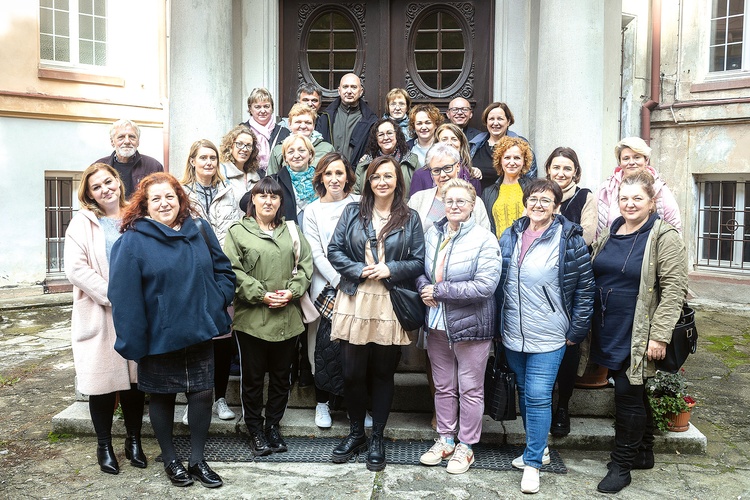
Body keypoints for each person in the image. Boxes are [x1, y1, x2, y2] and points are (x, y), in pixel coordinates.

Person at [109, 172, 235, 489]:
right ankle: (170, 459)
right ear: (144, 205)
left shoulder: (199, 230)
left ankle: (196, 460)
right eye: (157, 198)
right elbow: (123, 296)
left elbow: (223, 269)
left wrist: (217, 299)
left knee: (202, 394)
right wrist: (133, 341)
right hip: (158, 336)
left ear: (180, 199)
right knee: (163, 398)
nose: (165, 203)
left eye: (171, 196)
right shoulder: (132, 241)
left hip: (199, 330)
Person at [588, 171, 687, 494]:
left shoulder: (663, 236)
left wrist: (659, 335)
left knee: (627, 395)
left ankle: (622, 464)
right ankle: (644, 450)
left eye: (637, 199)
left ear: (651, 202)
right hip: (608, 325)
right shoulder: (613, 230)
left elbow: (674, 289)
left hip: (638, 329)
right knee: (635, 388)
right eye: (624, 199)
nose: (630, 204)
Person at [496, 178, 594, 494]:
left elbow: (585, 288)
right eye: (533, 199)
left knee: (538, 394)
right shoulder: (509, 235)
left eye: (546, 200)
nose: (538, 205)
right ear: (526, 202)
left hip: (551, 333)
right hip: (513, 331)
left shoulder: (569, 239)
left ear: (557, 205)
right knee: (526, 392)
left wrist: (576, 330)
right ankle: (538, 449)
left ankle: (534, 463)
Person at [327, 156, 425, 471]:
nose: (381, 181)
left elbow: (419, 260)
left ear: (398, 180)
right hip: (355, 297)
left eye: (388, 176)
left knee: (383, 373)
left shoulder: (410, 218)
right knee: (353, 372)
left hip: (389, 300)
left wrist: (390, 268)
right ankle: (357, 433)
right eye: (375, 176)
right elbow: (334, 250)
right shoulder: (352, 211)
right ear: (368, 181)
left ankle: (378, 436)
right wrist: (359, 269)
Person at [63, 163, 146, 475]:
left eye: (108, 182)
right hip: (100, 311)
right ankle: (104, 444)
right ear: (89, 194)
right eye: (96, 187)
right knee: (102, 384)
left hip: (136, 312)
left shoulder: (136, 216)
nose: (104, 189)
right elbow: (76, 268)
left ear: (118, 183)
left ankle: (134, 440)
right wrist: (114, 295)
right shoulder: (82, 223)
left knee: (135, 383)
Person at [415, 178, 501, 475]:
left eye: (461, 201)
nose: (454, 206)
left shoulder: (484, 239)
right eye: (449, 201)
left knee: (471, 389)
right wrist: (425, 286)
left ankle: (466, 446)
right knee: (443, 387)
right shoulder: (432, 234)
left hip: (471, 326)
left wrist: (439, 291)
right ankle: (446, 439)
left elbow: (486, 286)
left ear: (472, 205)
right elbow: (420, 270)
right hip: (437, 324)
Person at [223, 176, 313, 457]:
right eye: (262, 195)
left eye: (274, 196)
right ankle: (255, 428)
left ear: (280, 202)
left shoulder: (292, 231)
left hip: (287, 318)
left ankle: (273, 425)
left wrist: (292, 292)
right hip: (252, 320)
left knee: (280, 377)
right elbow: (232, 270)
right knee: (251, 379)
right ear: (253, 200)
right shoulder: (238, 231)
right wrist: (261, 293)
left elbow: (305, 266)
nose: (268, 201)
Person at [181, 139, 243, 423]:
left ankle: (219, 398)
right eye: (203, 157)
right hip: (191, 274)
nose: (208, 163)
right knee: (192, 340)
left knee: (221, 340)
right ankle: (189, 400)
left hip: (221, 273)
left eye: (213, 158)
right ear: (192, 161)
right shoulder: (180, 194)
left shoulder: (231, 191)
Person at [302, 152, 360, 428]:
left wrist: (356, 280)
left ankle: (355, 406)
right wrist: (339, 282)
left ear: (348, 176)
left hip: (361, 286)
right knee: (325, 348)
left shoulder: (360, 204)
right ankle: (322, 404)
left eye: (339, 173)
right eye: (328, 173)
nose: (334, 179)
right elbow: (315, 253)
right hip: (327, 287)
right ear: (321, 178)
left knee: (357, 349)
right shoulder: (312, 210)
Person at [544, 147, 597, 437]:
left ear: (575, 171)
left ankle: (563, 406)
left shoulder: (585, 197)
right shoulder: (540, 192)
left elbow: (586, 234)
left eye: (567, 168)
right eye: (556, 168)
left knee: (569, 346)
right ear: (548, 169)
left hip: (573, 279)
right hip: (541, 282)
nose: (561, 173)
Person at [596, 136, 682, 238]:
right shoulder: (606, 189)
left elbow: (674, 226)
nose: (631, 162)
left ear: (646, 160)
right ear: (620, 162)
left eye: (637, 157)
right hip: (614, 248)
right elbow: (596, 231)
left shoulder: (659, 189)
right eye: (626, 158)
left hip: (648, 250)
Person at [408, 142, 490, 232]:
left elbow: (485, 237)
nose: (442, 175)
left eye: (447, 168)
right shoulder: (418, 199)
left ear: (458, 166)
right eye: (436, 170)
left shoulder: (475, 202)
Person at [470, 102, 537, 190]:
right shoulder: (474, 145)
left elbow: (531, 178)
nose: (495, 123)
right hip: (478, 200)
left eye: (500, 119)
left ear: (508, 121)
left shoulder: (520, 145)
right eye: (491, 119)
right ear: (486, 122)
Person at [315, 73, 378, 166]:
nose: (349, 91)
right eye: (345, 87)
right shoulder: (326, 117)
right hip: (330, 173)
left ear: (361, 91)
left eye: (353, 87)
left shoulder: (371, 121)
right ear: (339, 91)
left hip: (357, 175)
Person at [95, 119, 163, 198]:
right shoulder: (99, 167)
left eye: (132, 137)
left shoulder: (154, 166)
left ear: (138, 142)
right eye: (121, 137)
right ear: (112, 142)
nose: (127, 141)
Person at [409, 123, 482, 196]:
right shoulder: (421, 175)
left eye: (454, 139)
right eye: (444, 139)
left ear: (461, 144)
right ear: (436, 143)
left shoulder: (472, 176)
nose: (449, 143)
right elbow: (415, 205)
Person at [480, 136, 533, 237]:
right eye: (507, 158)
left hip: (525, 247)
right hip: (498, 249)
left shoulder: (533, 188)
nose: (512, 163)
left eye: (517, 158)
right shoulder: (488, 192)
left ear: (524, 161)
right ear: (500, 160)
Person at [353, 117, 419, 196]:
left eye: (389, 133)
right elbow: (356, 195)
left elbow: (419, 195)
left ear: (397, 135)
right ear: (376, 139)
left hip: (404, 207)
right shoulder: (364, 164)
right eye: (381, 135)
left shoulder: (412, 161)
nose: (386, 138)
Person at [268, 103, 335, 174]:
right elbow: (271, 182)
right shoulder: (279, 150)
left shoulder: (327, 149)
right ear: (290, 124)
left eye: (308, 123)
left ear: (314, 125)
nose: (303, 126)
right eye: (298, 122)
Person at [242, 87, 290, 172]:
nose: (263, 110)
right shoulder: (241, 131)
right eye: (257, 107)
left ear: (272, 108)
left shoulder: (284, 133)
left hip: (276, 182)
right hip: (248, 180)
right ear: (250, 109)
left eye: (266, 106)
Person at [219, 124, 262, 202]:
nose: (244, 149)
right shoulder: (220, 173)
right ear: (230, 146)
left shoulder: (255, 176)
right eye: (239, 144)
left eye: (249, 145)